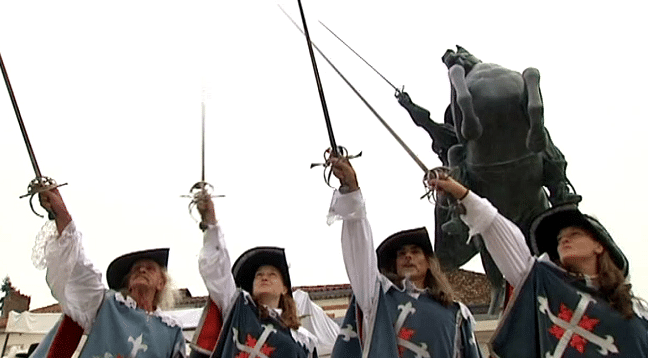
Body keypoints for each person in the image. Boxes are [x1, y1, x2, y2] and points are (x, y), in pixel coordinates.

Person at [429, 174, 648, 356]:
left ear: (599, 247)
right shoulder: (547, 284)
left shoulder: (637, 313)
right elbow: (504, 236)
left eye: (575, 234)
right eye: (560, 237)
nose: (564, 239)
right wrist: (462, 194)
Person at [327, 157, 483, 358]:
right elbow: (360, 254)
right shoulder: (377, 300)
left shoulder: (456, 314)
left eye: (416, 252)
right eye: (401, 254)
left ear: (429, 263)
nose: (408, 256)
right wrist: (351, 192)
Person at [29, 189, 186, 358]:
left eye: (150, 268)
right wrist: (63, 216)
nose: (142, 270)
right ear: (127, 283)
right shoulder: (106, 304)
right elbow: (79, 272)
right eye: (135, 269)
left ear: (161, 283)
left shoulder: (171, 331)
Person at [193, 196, 318, 358]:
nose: (264, 278)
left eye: (272, 274)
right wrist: (211, 224)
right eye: (259, 275)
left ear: (284, 288)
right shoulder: (239, 310)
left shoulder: (303, 340)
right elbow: (218, 274)